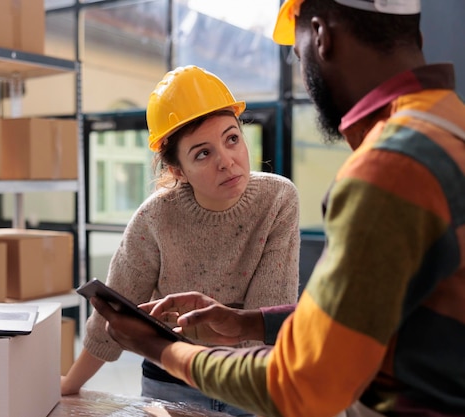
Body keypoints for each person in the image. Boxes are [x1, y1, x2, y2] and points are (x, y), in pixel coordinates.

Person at [90, 0, 465, 416]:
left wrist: (159, 348)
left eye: (298, 51)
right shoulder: (450, 128)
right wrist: (248, 323)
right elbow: (371, 313)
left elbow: (301, 384)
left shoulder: (388, 169)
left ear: (321, 37)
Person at [61, 65, 301, 416]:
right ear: (177, 170)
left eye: (232, 138)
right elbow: (110, 315)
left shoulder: (278, 199)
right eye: (203, 153)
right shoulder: (155, 217)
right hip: (170, 382)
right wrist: (70, 385)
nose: (227, 161)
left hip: (247, 382)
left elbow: (266, 317)